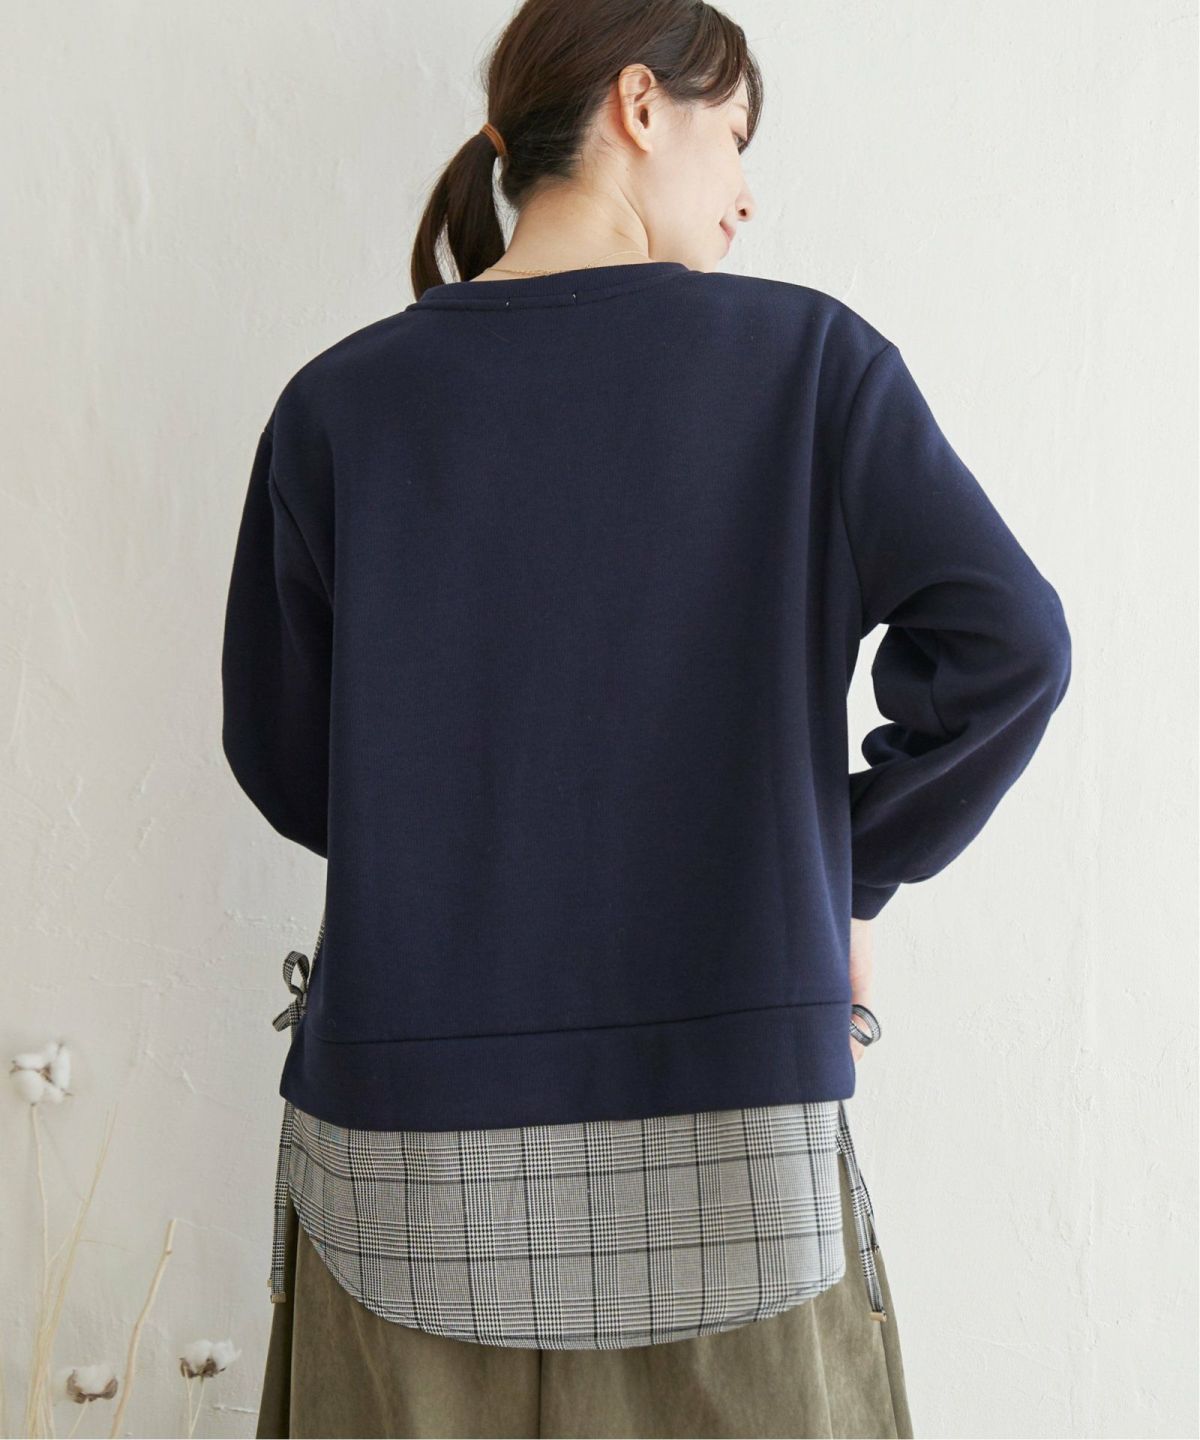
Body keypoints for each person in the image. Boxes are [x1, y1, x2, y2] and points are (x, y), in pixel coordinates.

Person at [221, 1, 1072, 1435]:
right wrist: (847, 875)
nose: (745, 193)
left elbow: (289, 763)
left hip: (406, 1166)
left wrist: (454, 833)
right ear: (636, 105)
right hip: (738, 1152)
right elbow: (1015, 647)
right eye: (732, 137)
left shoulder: (340, 407)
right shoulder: (811, 368)